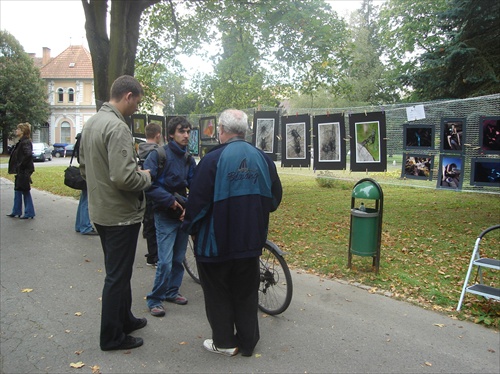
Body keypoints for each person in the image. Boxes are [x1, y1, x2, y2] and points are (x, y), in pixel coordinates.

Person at [182, 109, 282, 357]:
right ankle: (248, 343)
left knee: (217, 292)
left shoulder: (213, 159)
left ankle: (225, 342)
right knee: (246, 292)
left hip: (216, 243)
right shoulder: (262, 158)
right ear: (244, 131)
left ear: (222, 131)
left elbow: (198, 203)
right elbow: (274, 199)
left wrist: (191, 228)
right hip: (250, 241)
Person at [79, 75, 152, 351]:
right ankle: (112, 336)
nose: (136, 109)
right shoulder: (117, 127)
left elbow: (86, 170)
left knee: (117, 272)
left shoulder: (92, 123)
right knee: (117, 277)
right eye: (137, 103)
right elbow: (124, 178)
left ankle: (125, 318)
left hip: (101, 210)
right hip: (120, 214)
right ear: (128, 96)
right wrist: (146, 177)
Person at [143, 116, 196, 317]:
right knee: (164, 261)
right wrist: (170, 201)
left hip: (181, 215)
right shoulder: (158, 155)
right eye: (182, 131)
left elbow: (196, 185)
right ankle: (155, 299)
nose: (186, 135)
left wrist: (188, 208)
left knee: (177, 258)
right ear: (171, 134)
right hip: (164, 214)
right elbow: (147, 184)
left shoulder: (188, 158)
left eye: (188, 131)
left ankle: (172, 291)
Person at [138, 122, 163, 266]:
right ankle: (155, 256)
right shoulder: (157, 152)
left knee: (147, 221)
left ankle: (151, 254)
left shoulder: (140, 150)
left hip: (142, 191)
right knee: (155, 223)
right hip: (154, 190)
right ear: (158, 135)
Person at [7, 122, 35, 219]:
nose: (16, 130)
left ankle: (29, 212)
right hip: (20, 170)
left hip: (24, 170)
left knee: (24, 190)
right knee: (18, 190)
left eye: (18, 129)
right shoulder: (21, 142)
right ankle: (16, 210)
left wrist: (21, 165)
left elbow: (28, 155)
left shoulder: (25, 142)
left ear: (22, 131)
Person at [73, 133, 98, 236]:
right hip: (89, 172)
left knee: (83, 199)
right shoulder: (86, 138)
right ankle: (85, 226)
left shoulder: (80, 137)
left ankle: (79, 225)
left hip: (84, 171)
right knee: (87, 200)